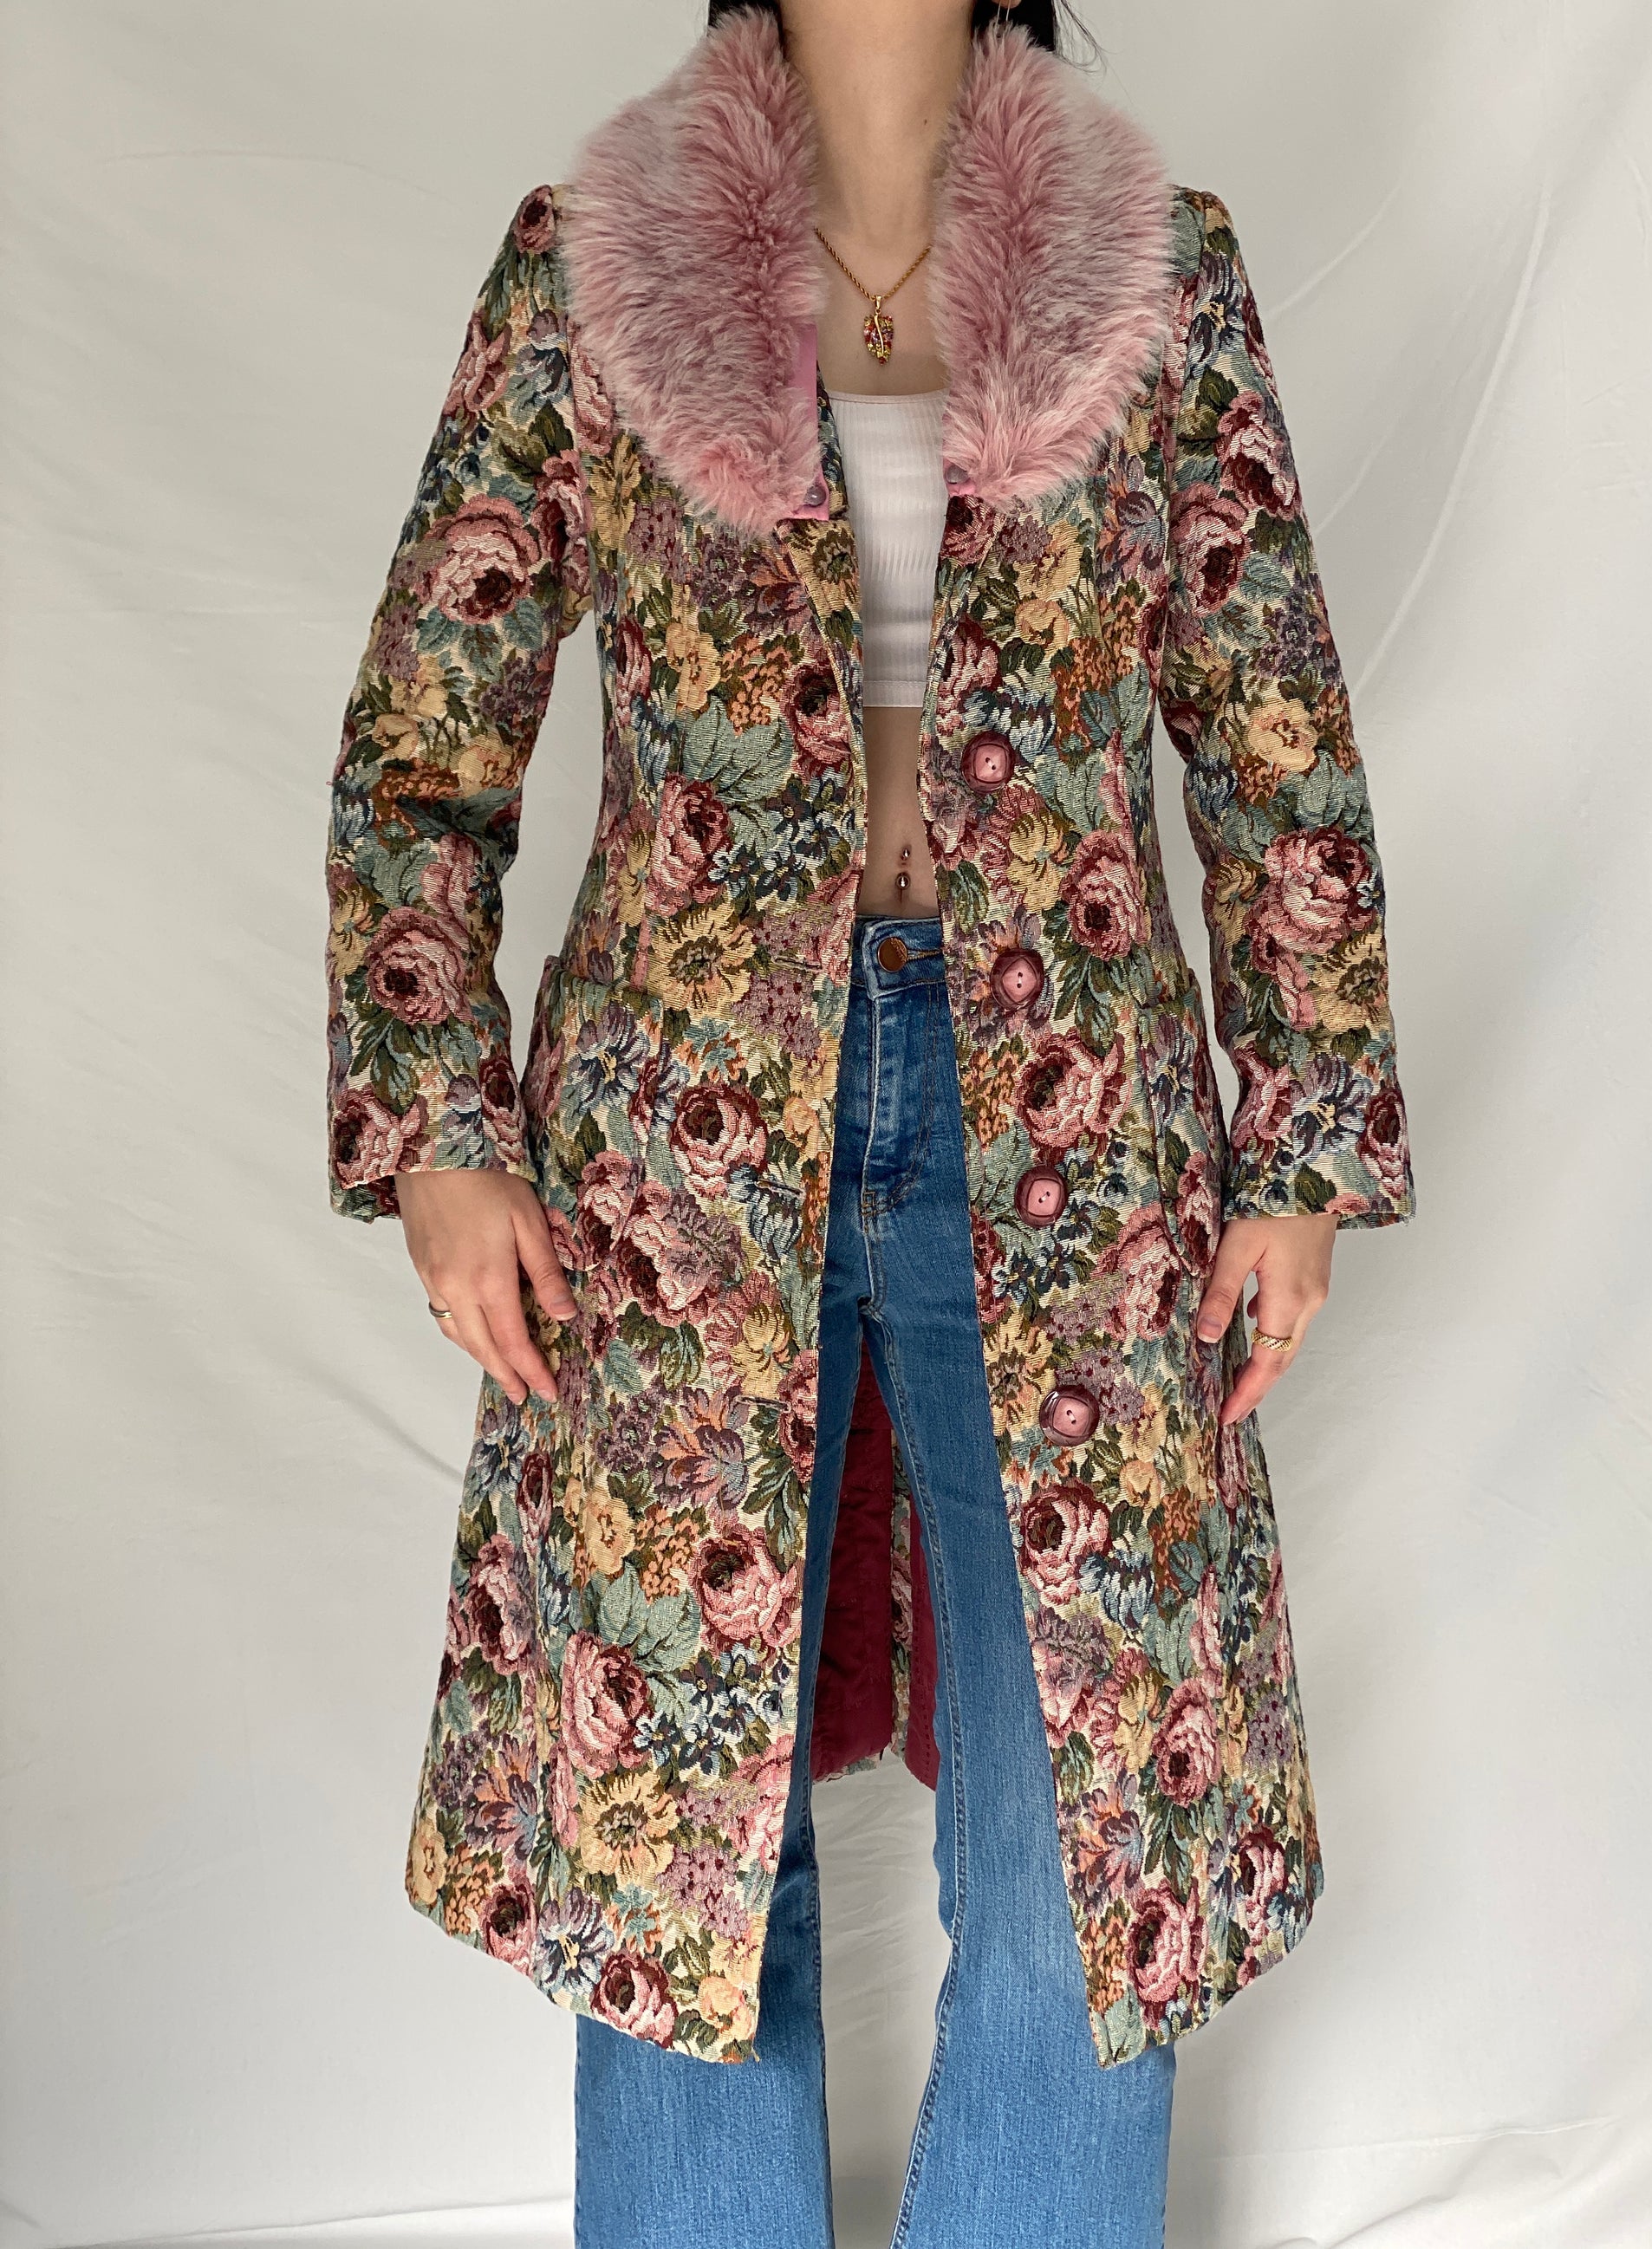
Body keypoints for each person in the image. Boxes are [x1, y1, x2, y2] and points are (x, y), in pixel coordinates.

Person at [324, 1, 1415, 2240]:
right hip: (676, 1155)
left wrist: (1301, 1143)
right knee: (678, 1821)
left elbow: (1274, 739)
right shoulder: (589, 263)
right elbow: (423, 747)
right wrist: (439, 1127)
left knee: (1090, 1820)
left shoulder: (1163, 271)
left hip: (1078, 1142)